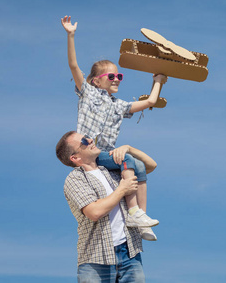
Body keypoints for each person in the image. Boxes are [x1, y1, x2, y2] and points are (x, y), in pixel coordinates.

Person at [61, 15, 167, 240]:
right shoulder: (88, 94)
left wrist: (157, 81)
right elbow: (73, 65)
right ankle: (134, 211)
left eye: (119, 75)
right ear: (96, 81)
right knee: (127, 160)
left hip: (105, 153)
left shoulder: (119, 106)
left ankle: (142, 217)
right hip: (91, 154)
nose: (117, 79)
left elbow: (149, 102)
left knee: (137, 166)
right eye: (111, 76)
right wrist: (70, 35)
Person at [56, 131, 153, 282]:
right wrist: (122, 189)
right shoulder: (75, 179)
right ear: (75, 158)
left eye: (87, 136)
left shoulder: (113, 170)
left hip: (129, 253)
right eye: (84, 141)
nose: (90, 140)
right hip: (95, 259)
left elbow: (150, 166)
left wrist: (128, 149)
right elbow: (94, 212)